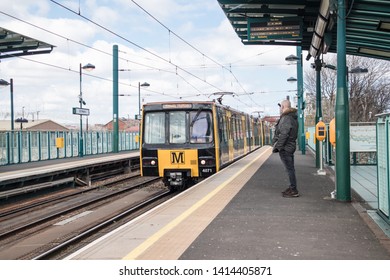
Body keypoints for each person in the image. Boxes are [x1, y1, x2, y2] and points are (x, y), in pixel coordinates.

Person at [272, 99, 299, 197]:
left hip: (286, 148)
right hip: (290, 146)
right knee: (290, 169)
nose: (280, 109)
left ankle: (293, 189)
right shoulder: (292, 117)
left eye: (280, 107)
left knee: (289, 169)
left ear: (283, 107)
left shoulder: (286, 118)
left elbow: (284, 133)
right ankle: (292, 187)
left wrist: (277, 147)